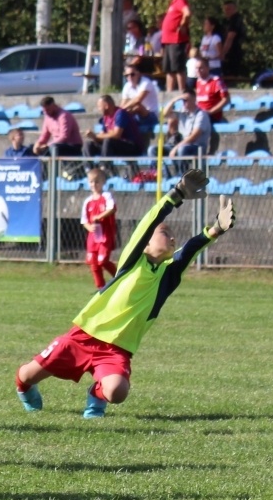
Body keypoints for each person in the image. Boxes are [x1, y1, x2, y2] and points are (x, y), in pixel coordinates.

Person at [14, 170, 235, 419]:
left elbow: (190, 250)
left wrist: (216, 229)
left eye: (173, 235)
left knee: (117, 391)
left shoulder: (168, 275)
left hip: (116, 349)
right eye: (165, 233)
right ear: (146, 243)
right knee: (28, 375)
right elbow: (149, 222)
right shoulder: (133, 261)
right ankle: (24, 388)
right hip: (83, 336)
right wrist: (177, 194)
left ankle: (97, 396)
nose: (173, 237)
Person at [80, 165, 118, 291]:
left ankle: (119, 277)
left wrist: (99, 216)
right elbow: (84, 220)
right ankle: (101, 288)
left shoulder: (106, 196)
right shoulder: (87, 201)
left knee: (103, 261)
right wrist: (89, 227)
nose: (94, 184)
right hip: (93, 238)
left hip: (105, 235)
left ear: (103, 182)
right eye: (91, 182)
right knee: (93, 264)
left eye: (97, 182)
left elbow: (112, 208)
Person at [83, 94, 145, 161]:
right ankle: (89, 167)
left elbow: (116, 135)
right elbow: (102, 135)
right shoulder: (105, 117)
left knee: (108, 141)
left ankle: (105, 166)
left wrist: (96, 136)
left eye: (99, 107)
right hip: (114, 146)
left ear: (106, 106)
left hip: (132, 147)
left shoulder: (120, 113)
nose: (99, 109)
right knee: (88, 144)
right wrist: (93, 137)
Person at [163, 87, 213, 166]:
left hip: (197, 147)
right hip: (182, 145)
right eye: (183, 100)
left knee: (181, 150)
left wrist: (176, 147)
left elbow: (194, 136)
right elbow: (164, 114)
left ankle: (182, 173)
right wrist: (174, 100)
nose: (184, 102)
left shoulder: (201, 114)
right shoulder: (182, 112)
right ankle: (165, 173)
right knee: (153, 150)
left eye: (186, 100)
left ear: (194, 100)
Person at [159, 0, 192, 94]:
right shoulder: (173, 3)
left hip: (176, 40)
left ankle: (182, 91)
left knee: (178, 67)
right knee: (168, 69)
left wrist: (182, 25)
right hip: (168, 41)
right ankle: (169, 92)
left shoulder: (180, 0)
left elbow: (187, 13)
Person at [34, 96, 83, 160]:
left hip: (72, 146)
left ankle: (57, 166)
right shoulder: (47, 117)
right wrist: (38, 144)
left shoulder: (64, 116)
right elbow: (45, 135)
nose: (46, 112)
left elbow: (64, 137)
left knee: (53, 147)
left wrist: (47, 145)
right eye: (44, 111)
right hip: (54, 145)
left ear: (53, 106)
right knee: (34, 148)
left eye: (48, 110)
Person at [119, 61, 160, 137]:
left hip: (152, 116)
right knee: (123, 114)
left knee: (137, 107)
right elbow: (123, 103)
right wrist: (119, 112)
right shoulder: (127, 86)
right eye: (127, 75)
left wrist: (122, 110)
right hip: (136, 116)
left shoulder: (146, 82)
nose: (130, 77)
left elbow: (138, 100)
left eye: (132, 74)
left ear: (138, 73)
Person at [220, 0, 246, 81]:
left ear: (235, 9)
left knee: (230, 76)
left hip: (233, 52)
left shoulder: (235, 20)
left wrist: (223, 53)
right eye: (225, 9)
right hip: (229, 52)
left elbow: (230, 38)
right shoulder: (226, 21)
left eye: (229, 9)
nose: (226, 11)